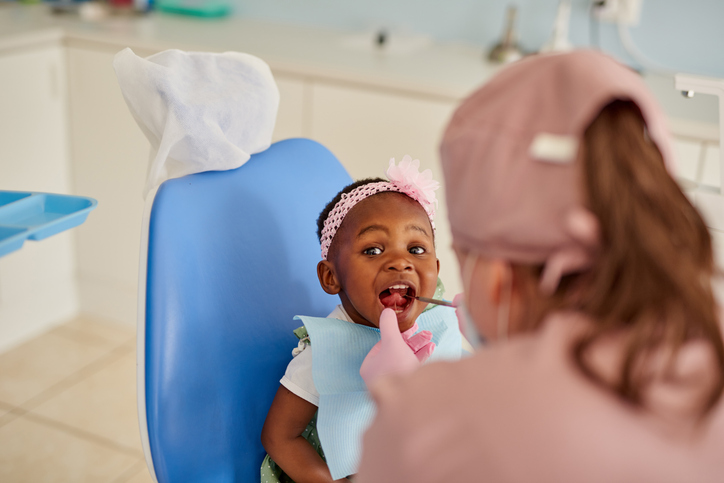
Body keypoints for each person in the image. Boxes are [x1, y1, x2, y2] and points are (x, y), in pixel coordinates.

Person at [355, 50, 724, 482]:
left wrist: (405, 409)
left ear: (495, 276)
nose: (400, 262)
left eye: (425, 252)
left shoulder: (427, 419)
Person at [260, 156, 463, 482]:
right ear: (331, 277)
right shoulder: (324, 353)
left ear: (436, 269)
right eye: (373, 250)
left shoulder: (440, 321)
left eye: (416, 249)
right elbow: (279, 437)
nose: (401, 262)